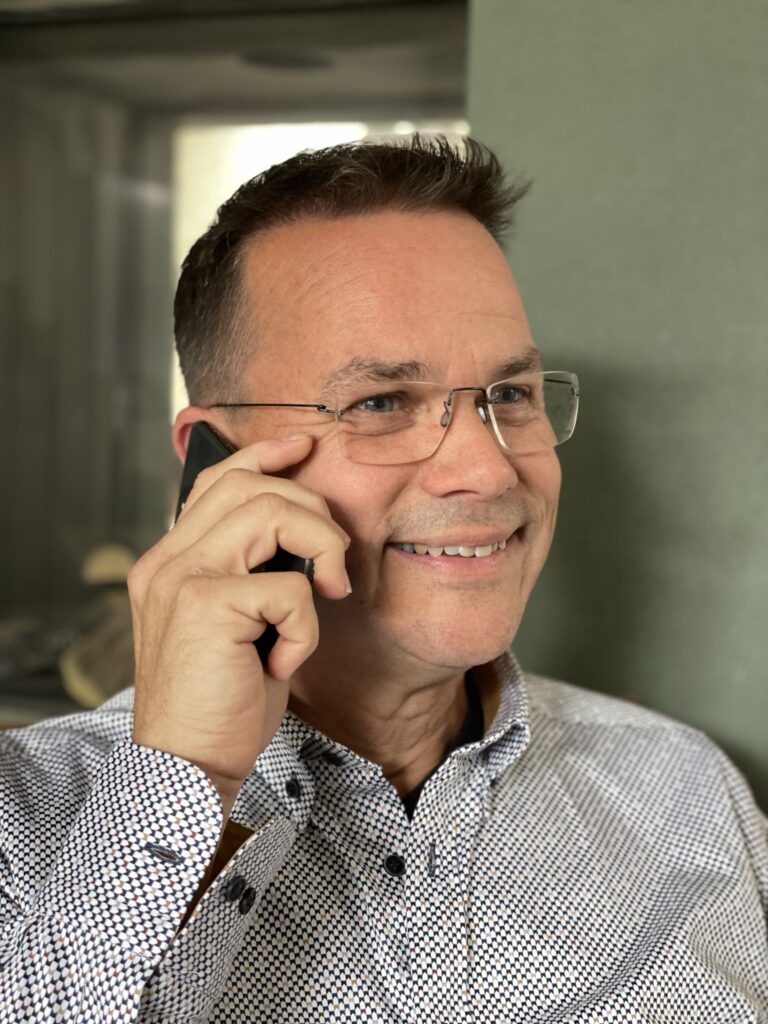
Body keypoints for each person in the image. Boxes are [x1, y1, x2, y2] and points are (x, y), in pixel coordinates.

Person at [1, 136, 765, 1023]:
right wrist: (188, 776)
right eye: (380, 403)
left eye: (509, 394)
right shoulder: (23, 822)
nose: (486, 468)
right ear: (216, 465)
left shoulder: (688, 791)